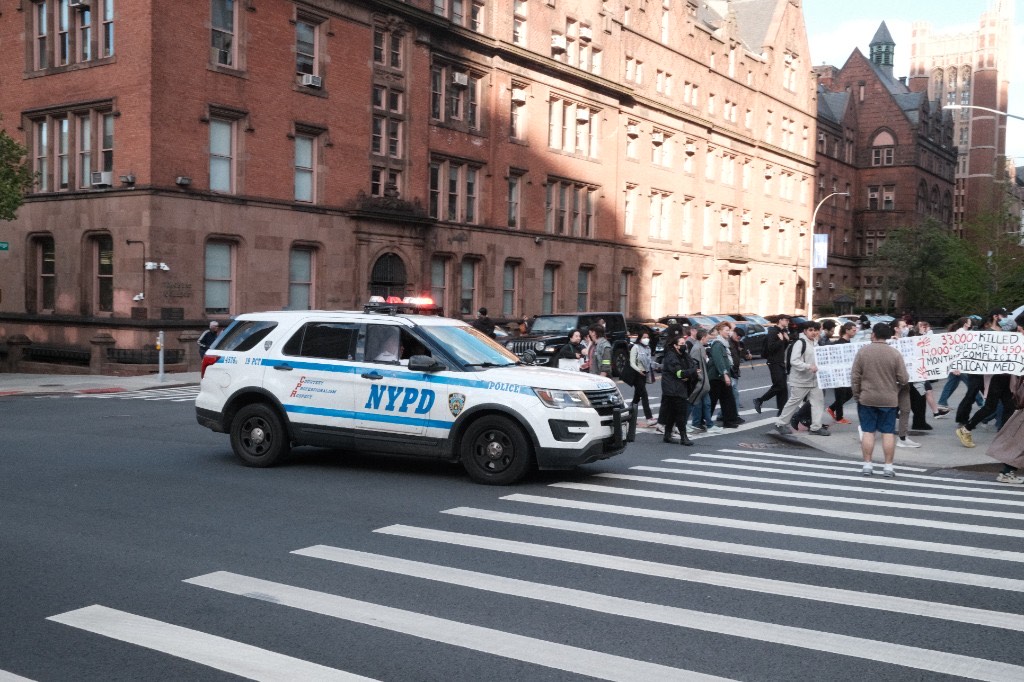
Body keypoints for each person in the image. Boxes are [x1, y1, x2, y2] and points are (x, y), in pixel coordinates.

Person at [852, 322, 909, 477]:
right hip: (889, 399)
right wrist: (894, 387)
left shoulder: (863, 352)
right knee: (888, 433)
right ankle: (888, 467)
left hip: (867, 397)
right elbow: (904, 379)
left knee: (868, 432)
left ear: (874, 334)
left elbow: (855, 377)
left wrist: (857, 395)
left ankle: (867, 465)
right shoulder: (895, 353)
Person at [773, 320, 830, 436]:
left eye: (815, 330)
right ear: (804, 331)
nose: (813, 332)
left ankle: (815, 427)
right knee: (793, 402)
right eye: (810, 330)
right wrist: (808, 367)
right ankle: (780, 424)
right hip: (801, 380)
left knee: (818, 403)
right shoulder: (800, 343)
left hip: (814, 380)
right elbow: (794, 361)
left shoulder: (815, 342)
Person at [660, 332, 698, 446]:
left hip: (676, 388)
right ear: (675, 346)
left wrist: (689, 374)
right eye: (681, 344)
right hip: (673, 389)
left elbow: (691, 366)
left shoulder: (684, 355)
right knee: (681, 413)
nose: (684, 346)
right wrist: (691, 372)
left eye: (684, 343)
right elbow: (679, 373)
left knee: (672, 412)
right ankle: (683, 437)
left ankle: (667, 435)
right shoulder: (671, 356)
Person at [753, 314, 792, 415]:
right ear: (780, 320)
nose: (788, 322)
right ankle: (760, 400)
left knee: (783, 388)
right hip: (773, 362)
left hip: (781, 362)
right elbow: (771, 348)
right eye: (786, 320)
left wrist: (786, 341)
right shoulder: (773, 331)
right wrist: (781, 340)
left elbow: (782, 348)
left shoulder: (784, 332)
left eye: (788, 320)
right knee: (779, 385)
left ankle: (781, 410)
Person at [707, 322, 741, 428]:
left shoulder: (724, 344)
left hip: (722, 377)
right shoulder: (717, 344)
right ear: (720, 331)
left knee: (728, 399)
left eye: (729, 330)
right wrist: (725, 374)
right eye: (726, 330)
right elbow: (719, 361)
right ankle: (703, 420)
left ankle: (729, 421)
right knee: (712, 400)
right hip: (716, 378)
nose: (728, 332)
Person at [826, 322, 857, 424]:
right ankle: (839, 417)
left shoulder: (848, 342)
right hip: (838, 373)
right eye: (853, 330)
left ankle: (831, 408)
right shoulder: (839, 343)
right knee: (840, 394)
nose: (855, 331)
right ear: (847, 330)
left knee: (848, 393)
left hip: (846, 373)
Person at [629, 331, 658, 426]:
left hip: (644, 374)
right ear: (640, 338)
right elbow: (632, 363)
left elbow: (649, 362)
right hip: (637, 374)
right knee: (644, 395)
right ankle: (649, 417)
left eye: (647, 337)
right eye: (644, 337)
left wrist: (658, 366)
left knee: (636, 397)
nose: (646, 339)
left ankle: (629, 415)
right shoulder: (635, 347)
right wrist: (639, 370)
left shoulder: (648, 348)